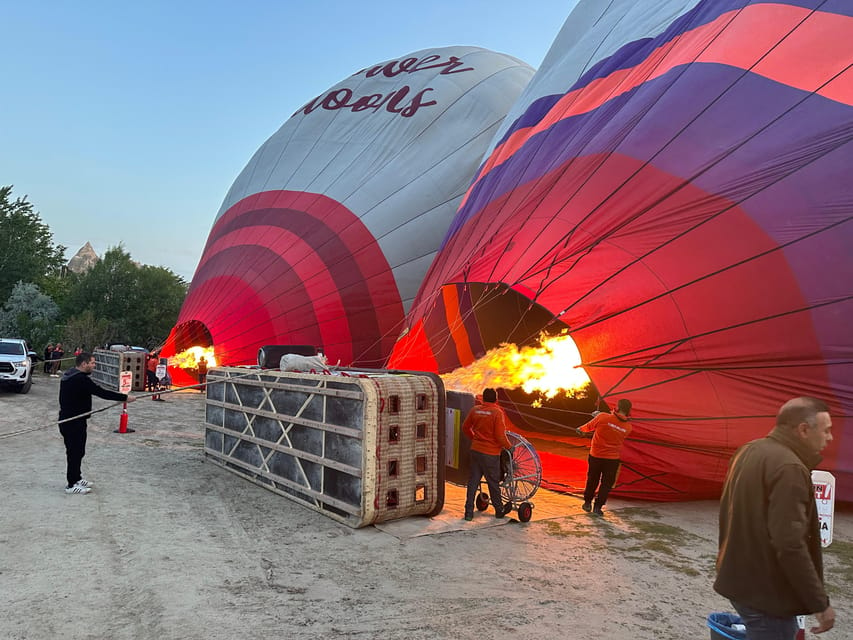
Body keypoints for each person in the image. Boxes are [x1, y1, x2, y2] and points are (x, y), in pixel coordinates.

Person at [714, 397, 835, 638]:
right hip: (767, 597)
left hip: (741, 582)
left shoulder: (749, 449)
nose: (830, 438)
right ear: (803, 430)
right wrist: (819, 603)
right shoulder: (790, 468)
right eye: (826, 430)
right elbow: (790, 544)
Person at [58, 352, 136, 494]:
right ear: (84, 364)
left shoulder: (71, 374)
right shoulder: (79, 379)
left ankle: (77, 477)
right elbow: (101, 392)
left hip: (77, 420)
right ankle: (71, 485)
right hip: (72, 422)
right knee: (74, 453)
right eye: (92, 363)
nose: (94, 366)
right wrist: (124, 397)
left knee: (79, 451)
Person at [573, 399, 633, 516]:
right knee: (606, 483)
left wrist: (580, 429)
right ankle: (598, 507)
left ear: (617, 407)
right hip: (612, 459)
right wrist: (600, 416)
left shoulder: (603, 417)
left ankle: (587, 503)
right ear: (628, 410)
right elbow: (616, 424)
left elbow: (587, 427)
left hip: (596, 455)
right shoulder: (628, 428)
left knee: (592, 479)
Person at [462, 387, 512, 521]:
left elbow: (465, 427)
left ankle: (468, 512)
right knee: (493, 483)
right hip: (490, 453)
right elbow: (500, 436)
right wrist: (509, 447)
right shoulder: (497, 412)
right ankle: (499, 510)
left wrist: (474, 438)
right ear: (496, 399)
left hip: (476, 451)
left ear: (482, 398)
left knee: (473, 482)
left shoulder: (475, 410)